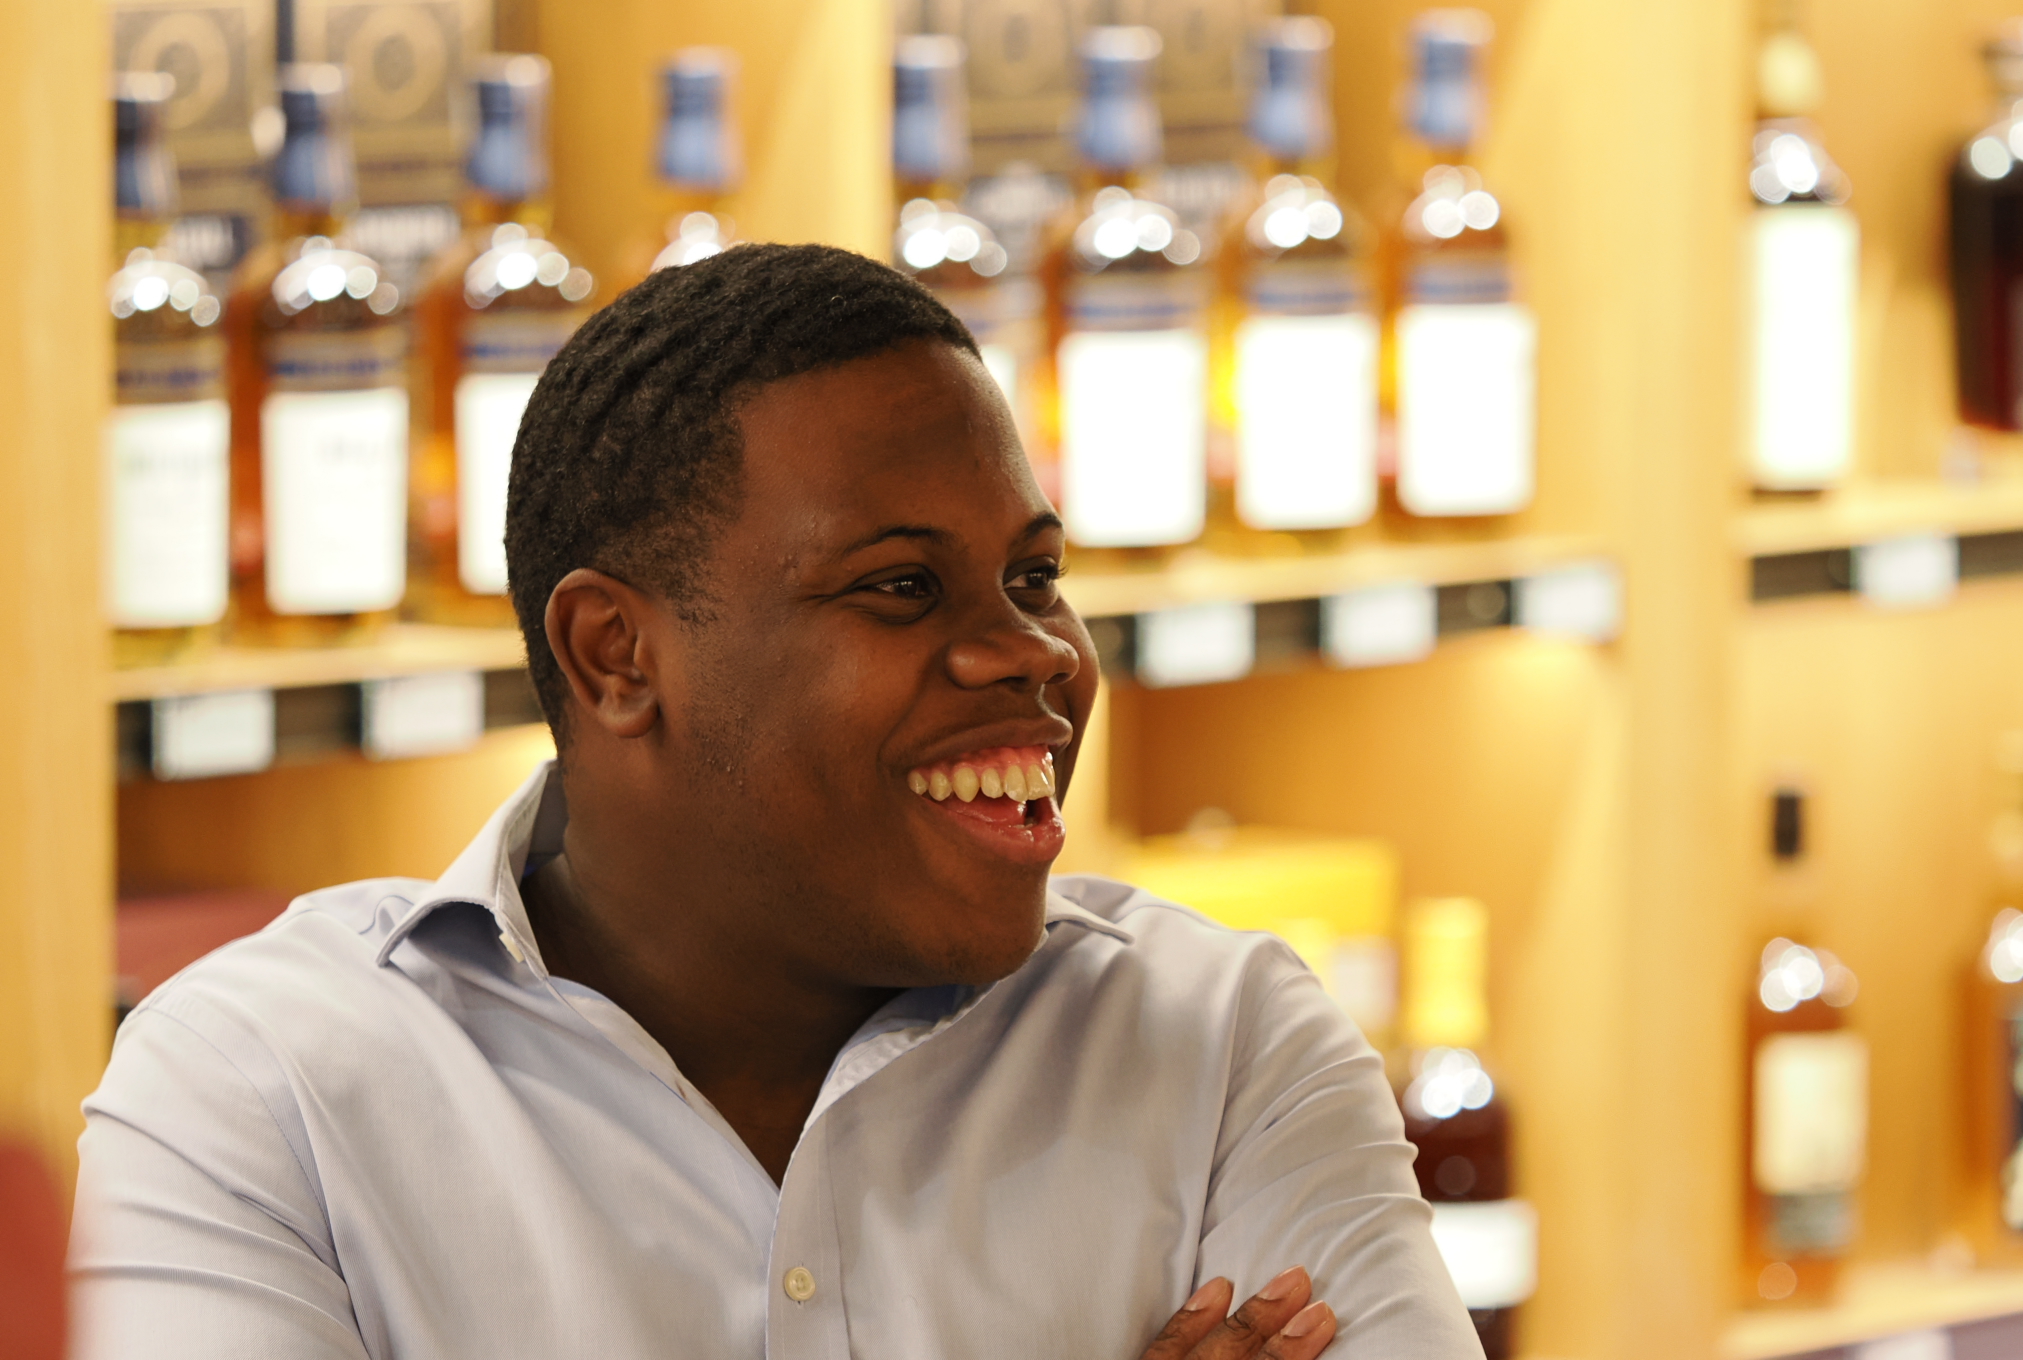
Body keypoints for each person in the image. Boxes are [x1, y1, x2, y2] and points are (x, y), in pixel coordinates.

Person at [69, 244, 1480, 1359]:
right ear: (617, 656)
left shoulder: (1225, 1046)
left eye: (1035, 577)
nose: (1034, 652)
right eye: (901, 586)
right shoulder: (262, 1094)